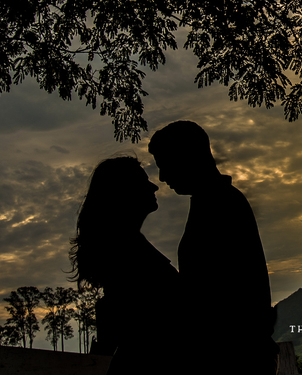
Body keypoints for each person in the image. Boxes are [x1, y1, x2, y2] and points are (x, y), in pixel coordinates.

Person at [149, 121, 278, 375]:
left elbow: (212, 294)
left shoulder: (220, 206)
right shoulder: (214, 202)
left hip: (232, 357)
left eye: (165, 165)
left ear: (187, 157)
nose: (162, 177)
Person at [69, 156, 185, 373]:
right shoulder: (127, 255)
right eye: (143, 181)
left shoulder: (126, 250)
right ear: (124, 193)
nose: (154, 185)